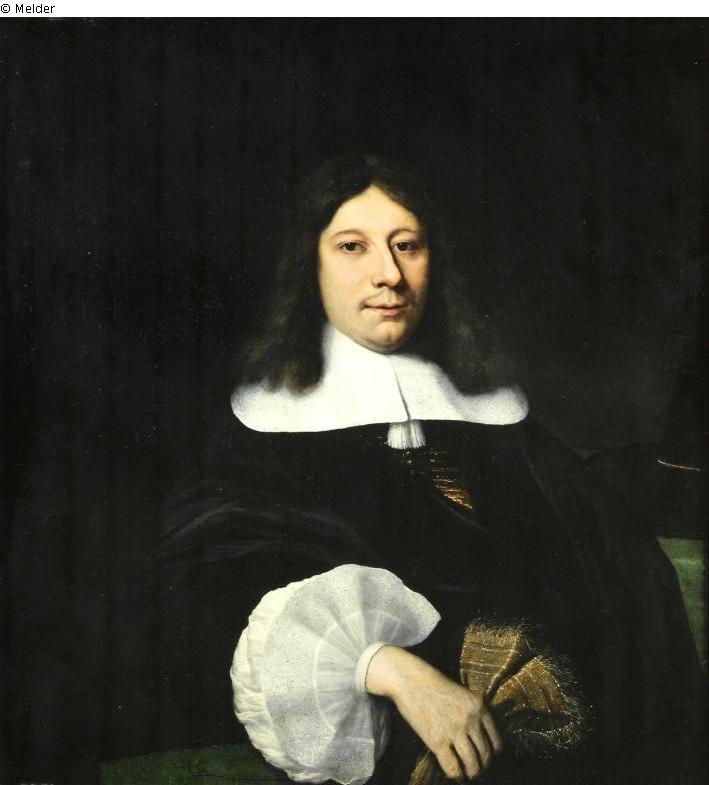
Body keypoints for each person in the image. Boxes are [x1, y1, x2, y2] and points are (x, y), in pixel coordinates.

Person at [145, 154, 704, 785]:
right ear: (309, 264)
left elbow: (607, 562)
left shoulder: (497, 417)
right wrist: (384, 666)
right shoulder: (260, 435)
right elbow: (207, 599)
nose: (388, 274)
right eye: (352, 246)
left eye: (406, 245)